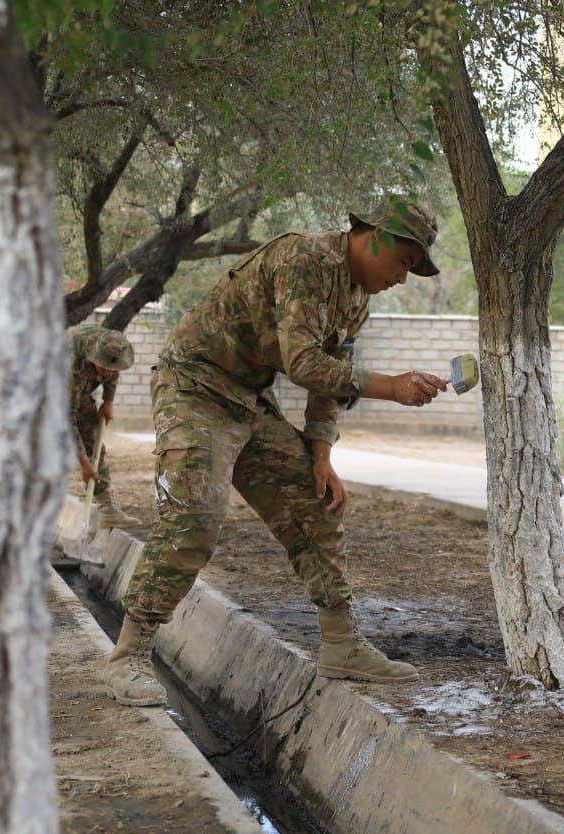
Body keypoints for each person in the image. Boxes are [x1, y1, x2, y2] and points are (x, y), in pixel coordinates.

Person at [104, 195, 448, 706]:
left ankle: (341, 644)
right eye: (405, 260)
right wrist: (391, 386)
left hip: (246, 396)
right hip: (194, 385)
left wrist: (321, 454)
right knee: (195, 515)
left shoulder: (355, 300)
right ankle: (129, 655)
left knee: (317, 503)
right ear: (376, 234)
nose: (403, 276)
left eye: (414, 267)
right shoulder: (306, 258)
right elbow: (306, 362)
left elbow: (327, 384)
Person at [70, 325, 142, 529]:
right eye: (103, 368)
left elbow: (114, 367)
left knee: (93, 439)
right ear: (94, 359)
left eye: (113, 369)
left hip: (77, 390)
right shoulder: (71, 367)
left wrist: (108, 400)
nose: (108, 373)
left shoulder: (114, 346)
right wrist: (84, 463)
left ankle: (106, 509)